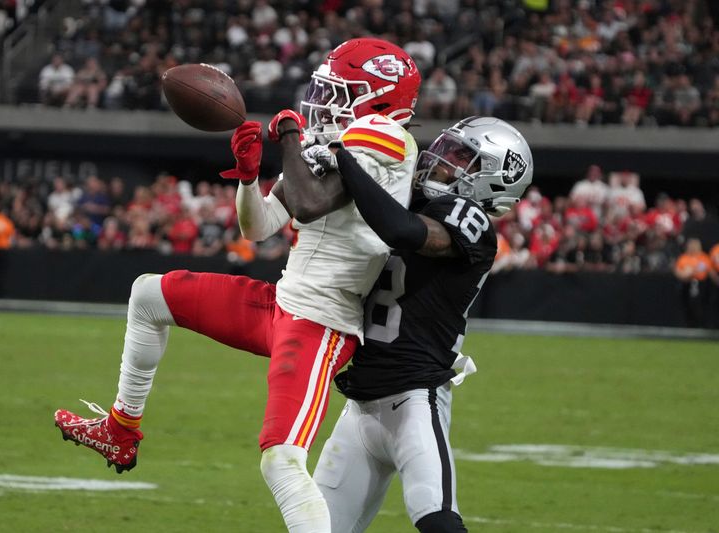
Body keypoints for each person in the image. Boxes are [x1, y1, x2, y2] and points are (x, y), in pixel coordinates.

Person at [54, 38, 421, 533]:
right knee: (148, 294)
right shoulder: (342, 139)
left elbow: (311, 204)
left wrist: (290, 136)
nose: (327, 102)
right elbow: (261, 225)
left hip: (321, 324)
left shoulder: (386, 135)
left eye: (342, 92)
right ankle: (121, 429)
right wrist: (248, 178)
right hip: (282, 303)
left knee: (281, 461)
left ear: (379, 98)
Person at [305, 116, 534, 533]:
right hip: (360, 406)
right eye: (448, 148)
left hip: (415, 398)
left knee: (440, 523)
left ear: (494, 180)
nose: (442, 158)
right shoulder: (411, 199)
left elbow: (402, 230)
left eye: (462, 156)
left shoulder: (472, 223)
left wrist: (344, 157)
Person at [674, 238, 713, 328]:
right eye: (691, 245)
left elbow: (707, 271)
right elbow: (678, 272)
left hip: (701, 285)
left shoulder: (703, 258)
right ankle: (689, 326)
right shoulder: (684, 257)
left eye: (695, 245)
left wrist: (691, 271)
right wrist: (688, 273)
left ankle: (701, 326)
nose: (693, 247)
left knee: (700, 306)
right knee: (687, 306)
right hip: (686, 285)